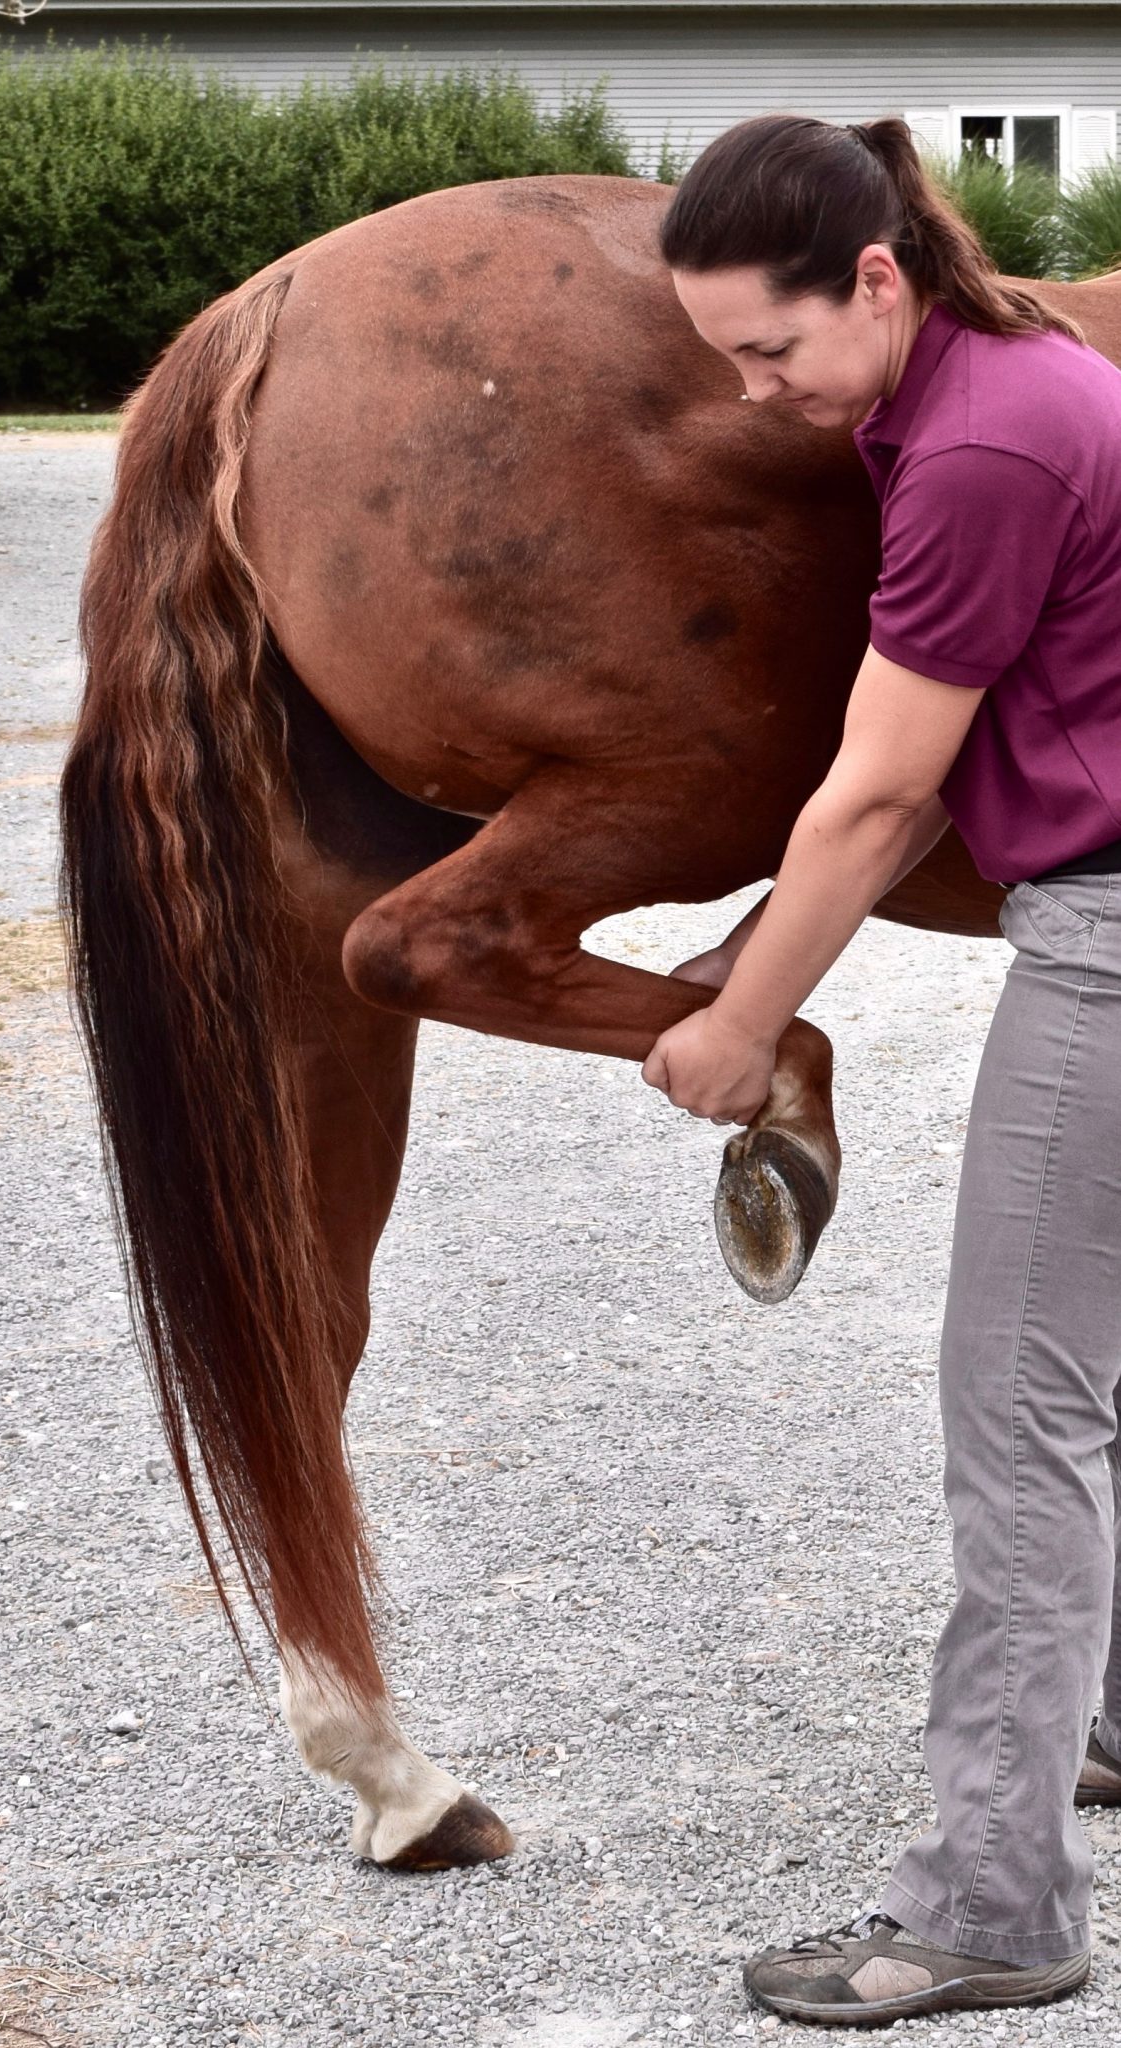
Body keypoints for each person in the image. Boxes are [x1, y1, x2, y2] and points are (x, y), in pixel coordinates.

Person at [641, 112, 1121, 2026]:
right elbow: (934, 762)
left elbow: (878, 791)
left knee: (1019, 1415)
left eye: (771, 350)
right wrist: (761, 950)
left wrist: (737, 1025)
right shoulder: (1000, 379)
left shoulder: (984, 444)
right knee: (1096, 1372)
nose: (755, 395)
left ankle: (993, 1906)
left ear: (871, 276)